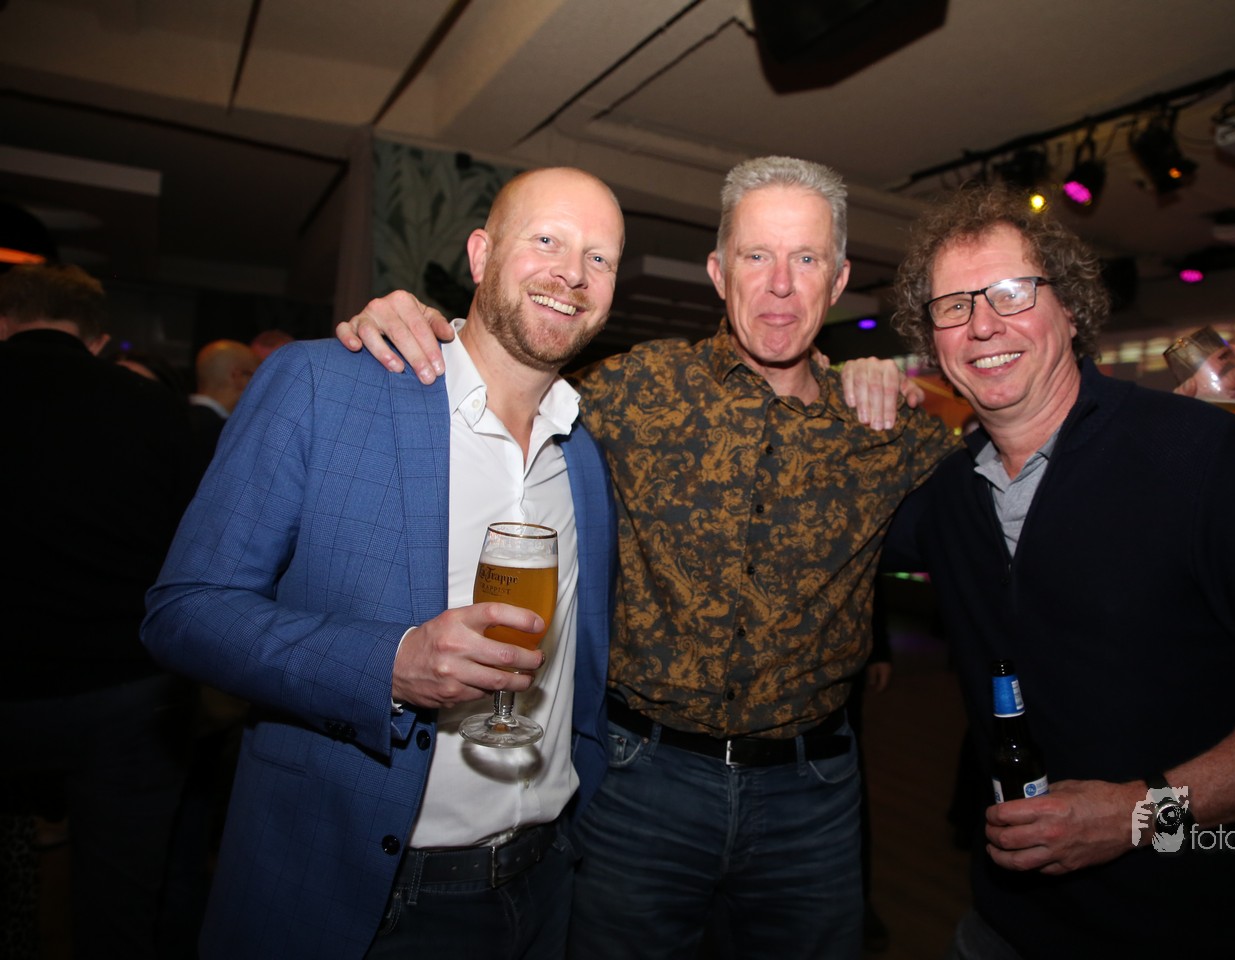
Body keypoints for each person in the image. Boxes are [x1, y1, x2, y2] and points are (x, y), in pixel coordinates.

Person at [339, 156, 958, 959]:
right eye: (756, 256)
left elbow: (1004, 469)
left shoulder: (883, 427)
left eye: (806, 259)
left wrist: (906, 382)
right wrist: (418, 322)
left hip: (811, 796)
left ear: (838, 281)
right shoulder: (630, 389)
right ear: (718, 272)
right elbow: (505, 368)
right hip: (643, 787)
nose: (780, 284)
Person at [866, 180, 1235, 957]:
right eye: (953, 306)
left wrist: (1141, 814)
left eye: (1013, 293)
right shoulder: (946, 498)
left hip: (1212, 928)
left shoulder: (1206, 456)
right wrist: (832, 388)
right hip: (1010, 926)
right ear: (933, 341)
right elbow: (804, 538)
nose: (983, 324)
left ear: (1071, 310)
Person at [141, 167, 620, 959]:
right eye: (547, 240)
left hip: (544, 885)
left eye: (599, 258)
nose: (572, 272)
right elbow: (185, 610)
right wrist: (389, 665)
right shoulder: (324, 384)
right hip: (367, 892)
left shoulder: (584, 456)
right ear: (481, 254)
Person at [0, 262, 197, 959]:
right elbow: (197, 552)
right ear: (97, 337)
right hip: (127, 687)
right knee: (121, 898)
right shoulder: (156, 410)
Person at [186, 338, 258, 465]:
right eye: (256, 375)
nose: (260, 384)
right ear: (238, 377)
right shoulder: (227, 435)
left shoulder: (169, 417)